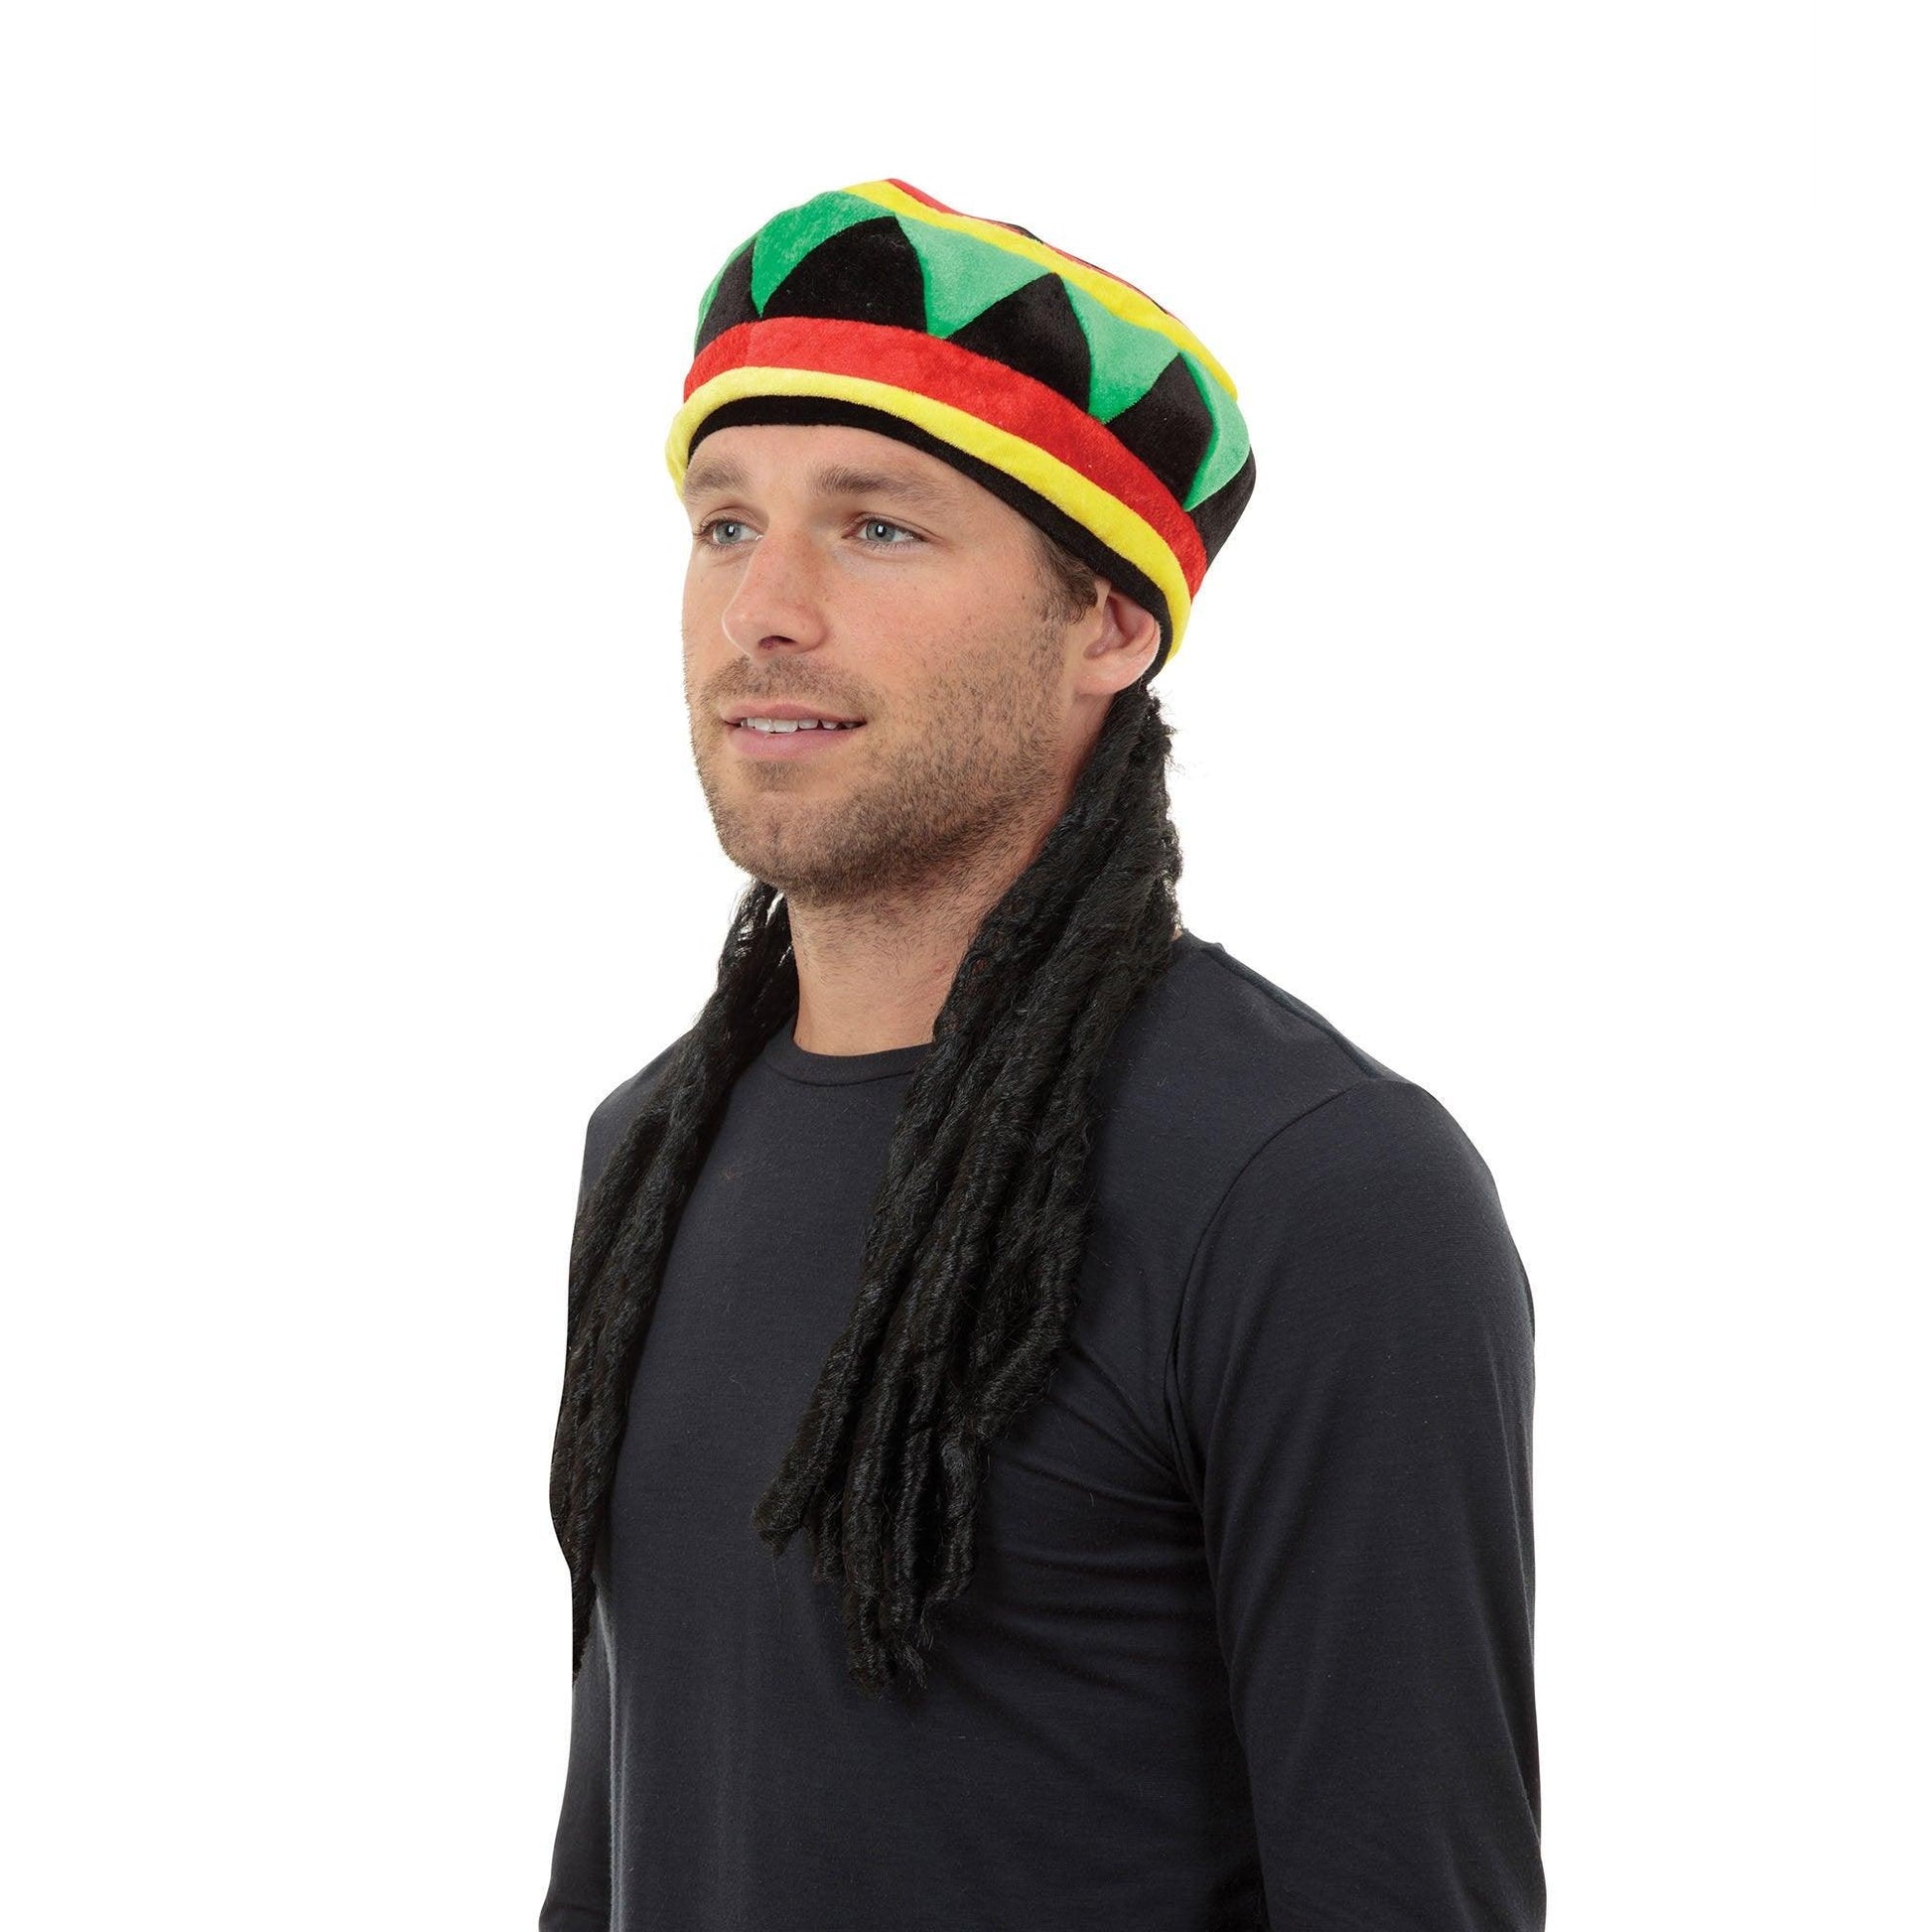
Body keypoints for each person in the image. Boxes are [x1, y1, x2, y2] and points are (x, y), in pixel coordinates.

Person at [539, 176, 1544, 1931]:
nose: (763, 607)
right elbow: (622, 1850)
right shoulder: (655, 1147)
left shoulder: (1313, 1190)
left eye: (877, 528)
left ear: (1108, 625)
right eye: (724, 522)